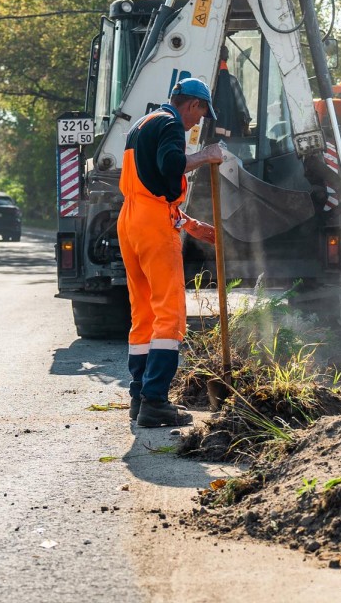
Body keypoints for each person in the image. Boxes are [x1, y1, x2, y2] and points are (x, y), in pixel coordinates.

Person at [117, 78, 225, 427]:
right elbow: (171, 166)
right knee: (170, 313)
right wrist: (206, 155)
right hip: (151, 225)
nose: (199, 121)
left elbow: (152, 185)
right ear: (192, 104)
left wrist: (189, 223)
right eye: (202, 113)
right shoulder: (170, 124)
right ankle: (155, 402)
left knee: (144, 312)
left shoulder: (141, 125)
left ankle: (138, 396)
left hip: (131, 219)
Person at [212, 45, 251, 138]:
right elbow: (243, 113)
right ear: (225, 60)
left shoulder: (203, 81)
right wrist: (246, 129)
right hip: (229, 140)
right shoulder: (231, 81)